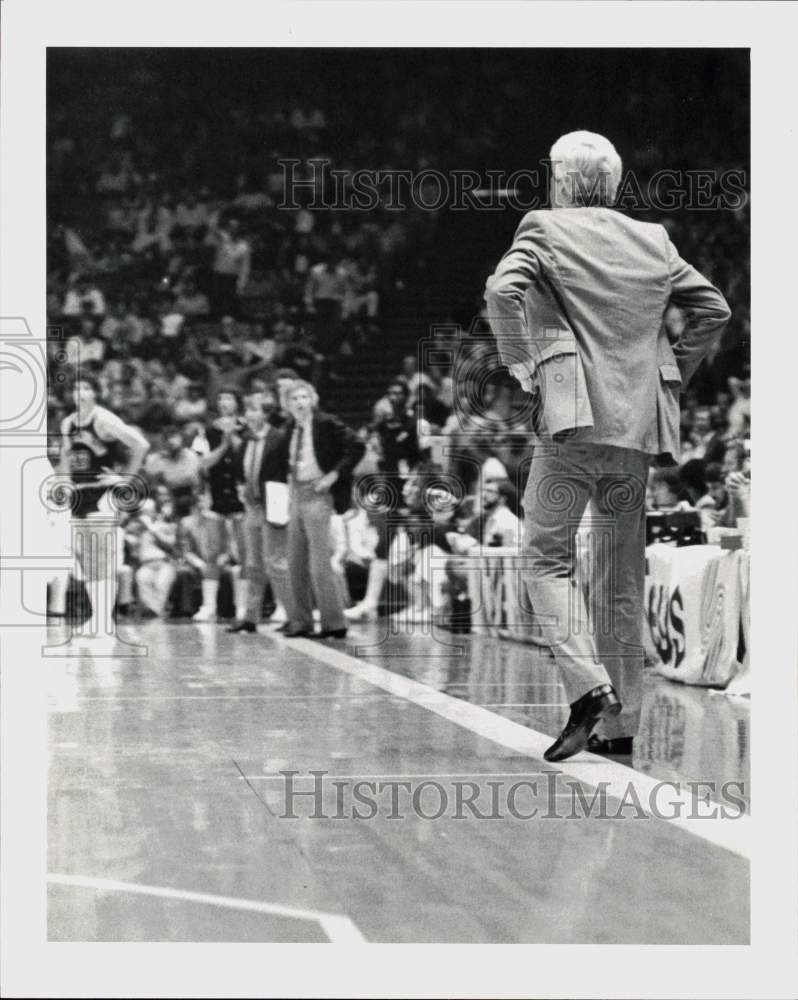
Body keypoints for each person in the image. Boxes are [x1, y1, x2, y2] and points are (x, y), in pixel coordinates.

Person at [484, 130, 730, 762]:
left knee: (546, 560)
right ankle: (619, 728)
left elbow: (500, 291)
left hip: (569, 422)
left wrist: (521, 363)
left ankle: (587, 685)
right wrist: (666, 374)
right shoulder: (654, 239)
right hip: (635, 428)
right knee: (620, 576)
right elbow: (714, 310)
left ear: (562, 181)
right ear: (615, 184)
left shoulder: (542, 226)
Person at [57, 374, 150, 637]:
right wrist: (64, 484)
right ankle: (97, 617)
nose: (80, 392)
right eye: (75, 388)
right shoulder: (67, 423)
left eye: (86, 387)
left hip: (102, 494)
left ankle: (104, 620)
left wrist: (124, 479)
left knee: (101, 557)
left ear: (96, 392)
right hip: (79, 494)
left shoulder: (104, 419)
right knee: (86, 560)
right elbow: (66, 459)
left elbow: (141, 445)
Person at [277, 381, 365, 638]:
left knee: (319, 564)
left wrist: (334, 475)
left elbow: (357, 446)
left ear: (312, 399)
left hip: (319, 494)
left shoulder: (326, 423)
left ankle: (334, 623)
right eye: (295, 398)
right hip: (296, 493)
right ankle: (301, 621)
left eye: (305, 397)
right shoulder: (289, 428)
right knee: (294, 562)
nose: (300, 402)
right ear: (287, 403)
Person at [228, 392, 290, 633]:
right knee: (252, 563)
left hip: (272, 505)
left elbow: (285, 472)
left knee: (275, 561)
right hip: (251, 506)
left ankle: (291, 614)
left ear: (266, 413)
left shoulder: (278, 438)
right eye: (247, 410)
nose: (248, 414)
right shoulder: (246, 439)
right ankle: (250, 616)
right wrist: (241, 486)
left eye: (254, 410)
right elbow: (240, 470)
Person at [193, 388, 247, 622]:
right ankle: (209, 606)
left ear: (237, 403)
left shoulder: (247, 428)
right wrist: (224, 443)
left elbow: (247, 457)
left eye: (229, 399)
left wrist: (233, 436)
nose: (225, 402)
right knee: (212, 553)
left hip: (242, 498)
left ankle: (243, 607)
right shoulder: (206, 431)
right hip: (214, 498)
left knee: (245, 555)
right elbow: (203, 464)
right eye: (221, 398)